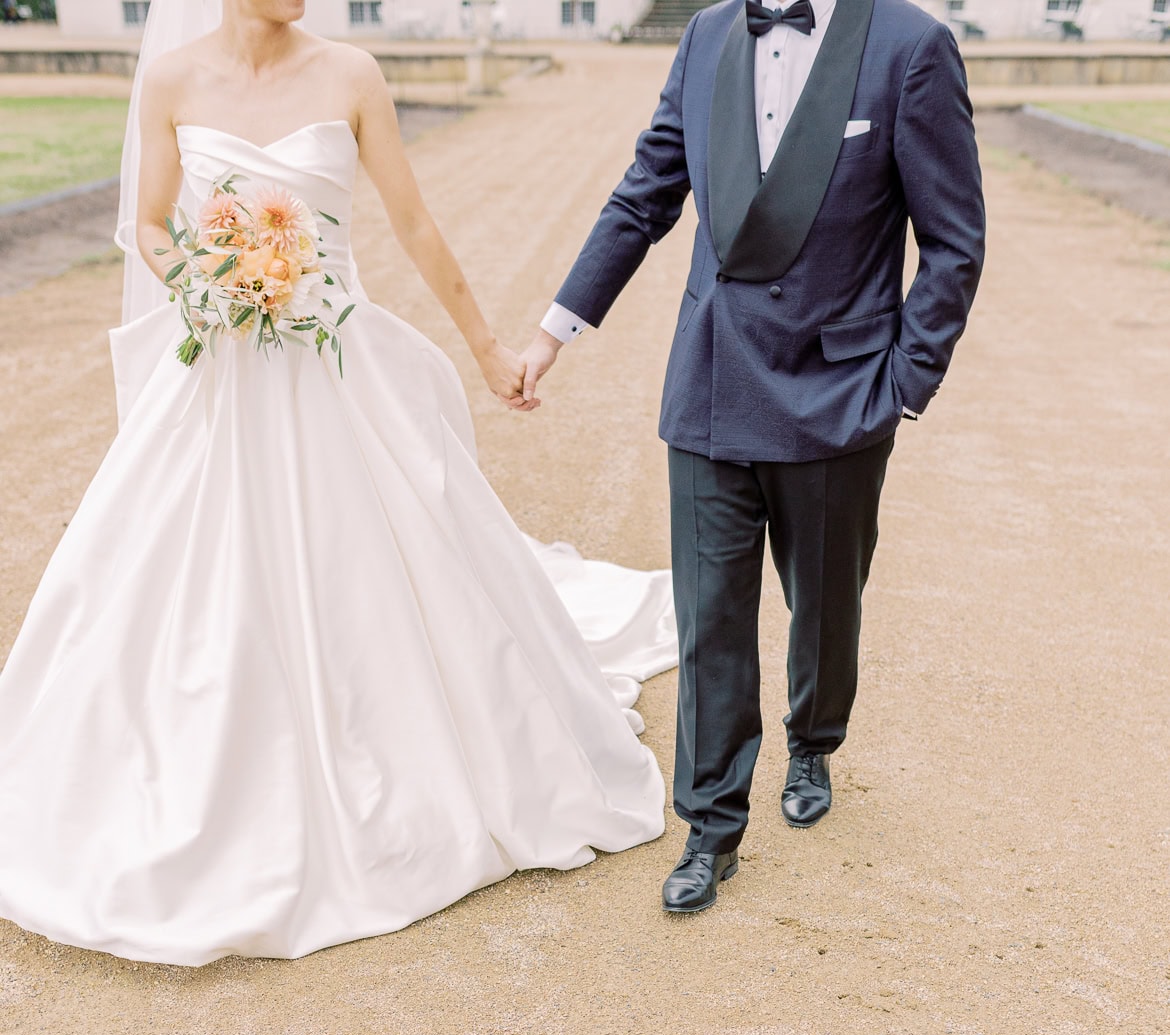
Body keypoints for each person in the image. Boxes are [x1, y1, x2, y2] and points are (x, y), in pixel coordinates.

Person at [0, 0, 676, 966]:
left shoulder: (352, 74)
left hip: (335, 364)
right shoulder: (173, 78)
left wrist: (487, 348)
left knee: (388, 559)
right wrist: (211, 272)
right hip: (223, 368)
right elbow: (148, 227)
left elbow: (411, 222)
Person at [519, 0, 986, 913]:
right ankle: (711, 824)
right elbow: (646, 192)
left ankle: (813, 737)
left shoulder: (910, 46)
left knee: (823, 601)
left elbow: (955, 240)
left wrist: (904, 379)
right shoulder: (703, 38)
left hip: (837, 395)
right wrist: (555, 330)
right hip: (712, 381)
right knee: (710, 618)